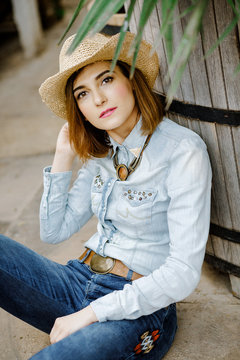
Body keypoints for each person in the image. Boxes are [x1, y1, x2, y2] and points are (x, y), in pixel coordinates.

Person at [0, 32, 212, 359]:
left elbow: (183, 272)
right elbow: (53, 231)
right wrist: (63, 157)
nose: (98, 99)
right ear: (79, 109)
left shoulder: (182, 152)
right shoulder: (102, 154)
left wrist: (91, 314)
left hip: (139, 306)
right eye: (83, 93)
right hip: (77, 280)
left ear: (131, 79)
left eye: (107, 79)